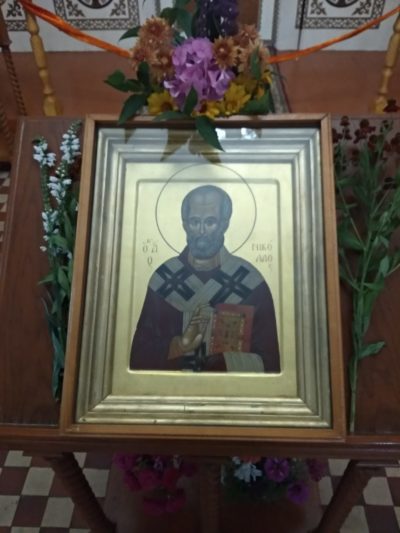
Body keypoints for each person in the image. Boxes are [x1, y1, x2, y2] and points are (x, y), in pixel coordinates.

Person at [130, 185, 280, 373]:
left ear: (224, 224)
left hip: (229, 391)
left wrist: (218, 363)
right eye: (194, 222)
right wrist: (179, 345)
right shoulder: (164, 280)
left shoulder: (250, 283)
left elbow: (270, 364)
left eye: (210, 222)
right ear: (184, 224)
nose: (201, 230)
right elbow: (138, 358)